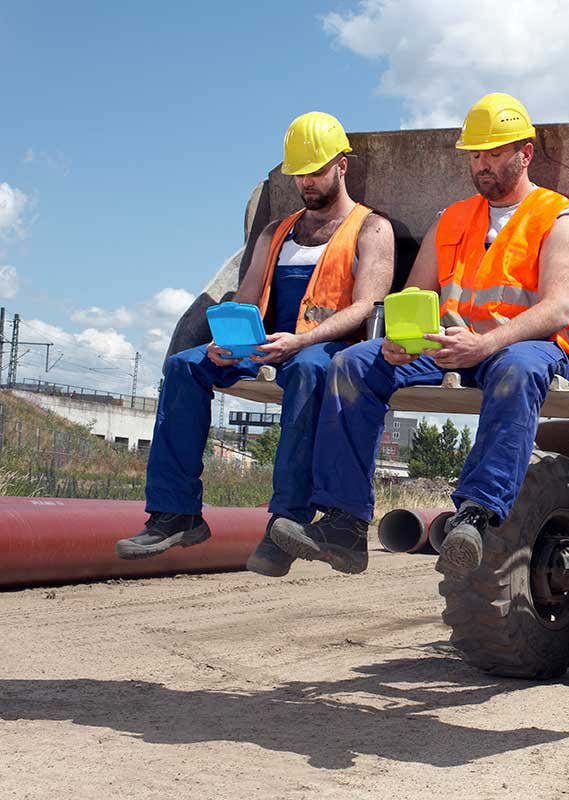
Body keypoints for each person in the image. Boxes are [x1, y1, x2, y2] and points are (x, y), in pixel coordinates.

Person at [271, 92, 569, 577]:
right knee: (352, 364)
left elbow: (558, 309)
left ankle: (476, 515)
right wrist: (400, 337)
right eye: (475, 155)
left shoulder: (559, 217)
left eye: (492, 154)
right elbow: (414, 293)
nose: (481, 165)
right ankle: (344, 522)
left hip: (528, 347)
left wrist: (487, 343)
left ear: (524, 154)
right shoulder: (453, 218)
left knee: (517, 369)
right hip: (447, 344)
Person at [115, 112, 394, 577]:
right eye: (299, 173)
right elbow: (246, 300)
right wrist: (225, 343)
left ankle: (287, 520)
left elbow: (368, 306)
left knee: (310, 371)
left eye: (315, 171)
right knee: (186, 366)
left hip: (319, 346)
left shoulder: (372, 229)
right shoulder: (275, 233)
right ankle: (175, 513)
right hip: (262, 345)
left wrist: (302, 339)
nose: (306, 182)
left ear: (341, 165)